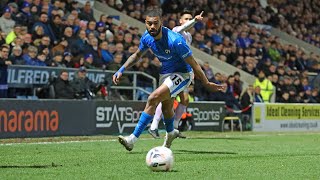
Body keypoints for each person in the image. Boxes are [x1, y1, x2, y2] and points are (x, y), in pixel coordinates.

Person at [113, 9, 224, 151]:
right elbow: (137, 55)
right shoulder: (147, 37)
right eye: (149, 23)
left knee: (153, 98)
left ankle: (132, 139)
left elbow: (194, 64)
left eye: (155, 23)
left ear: (161, 22)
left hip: (183, 74)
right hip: (166, 74)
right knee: (166, 107)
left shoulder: (176, 41)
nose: (152, 27)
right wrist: (121, 69)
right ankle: (171, 133)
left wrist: (207, 83)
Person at [149, 9, 204, 139]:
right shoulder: (175, 31)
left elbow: (187, 55)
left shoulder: (189, 37)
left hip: (183, 70)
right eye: (186, 18)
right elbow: (185, 27)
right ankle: (154, 125)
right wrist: (194, 20)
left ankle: (174, 127)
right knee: (167, 97)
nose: (188, 20)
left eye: (190, 18)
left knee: (184, 99)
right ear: (180, 21)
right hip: (172, 69)